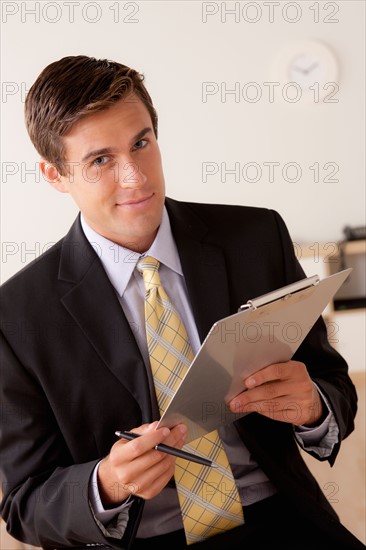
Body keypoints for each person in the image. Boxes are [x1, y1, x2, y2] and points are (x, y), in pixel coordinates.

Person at [0, 55, 364, 550]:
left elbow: (331, 383)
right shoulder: (16, 316)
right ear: (55, 175)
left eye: (141, 143)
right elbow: (25, 504)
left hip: (281, 518)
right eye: (100, 160)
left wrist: (313, 407)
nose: (135, 177)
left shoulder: (256, 237)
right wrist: (105, 486)